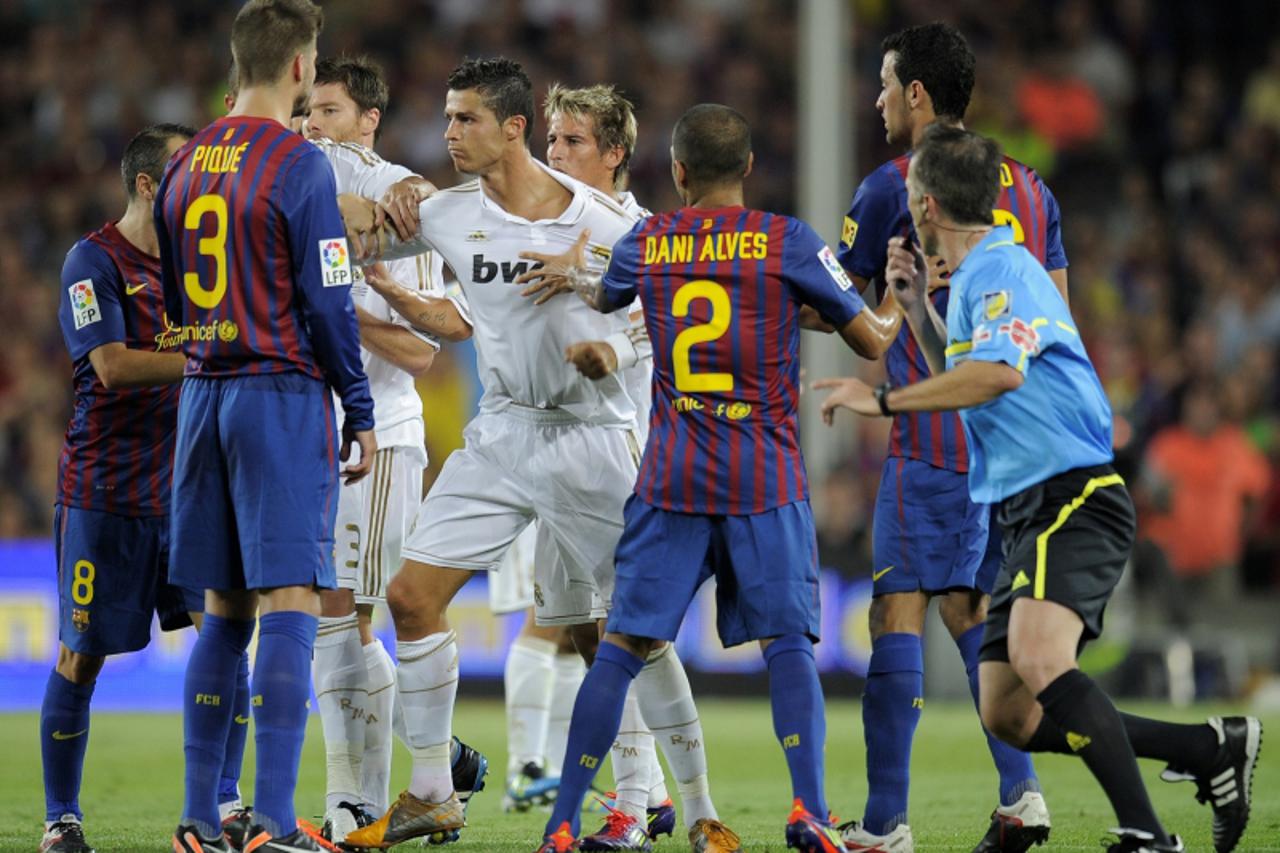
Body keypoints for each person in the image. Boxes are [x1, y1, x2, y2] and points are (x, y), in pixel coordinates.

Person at [817, 123, 1262, 853]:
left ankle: (1149, 835)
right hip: (1028, 505)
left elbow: (1000, 375)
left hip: (1073, 493)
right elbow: (964, 376)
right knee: (1008, 711)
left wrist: (884, 400)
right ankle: (1209, 749)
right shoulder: (966, 283)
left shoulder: (1001, 271)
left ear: (924, 203)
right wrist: (913, 303)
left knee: (1041, 657)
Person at [335, 57, 716, 852]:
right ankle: (434, 789)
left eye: (464, 119)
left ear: (512, 127)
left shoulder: (605, 224)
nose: (448, 134)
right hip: (503, 433)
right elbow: (348, 222)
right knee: (409, 596)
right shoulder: (447, 212)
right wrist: (350, 197)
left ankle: (668, 808)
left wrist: (609, 348)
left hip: (593, 439)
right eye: (445, 119)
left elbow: (671, 311)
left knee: (624, 632)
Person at [523, 103, 908, 853]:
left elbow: (606, 293)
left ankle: (564, 819)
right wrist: (895, 292)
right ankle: (809, 811)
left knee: (621, 646)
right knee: (791, 645)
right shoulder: (785, 241)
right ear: (750, 169)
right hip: (762, 474)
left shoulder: (653, 238)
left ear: (678, 172)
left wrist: (575, 271)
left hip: (671, 474)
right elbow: (871, 335)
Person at [832, 23, 1062, 853]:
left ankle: (887, 822)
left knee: (895, 607)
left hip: (935, 428)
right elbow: (1056, 312)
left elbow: (852, 314)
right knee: (966, 607)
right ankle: (1022, 794)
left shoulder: (896, 184)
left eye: (888, 84)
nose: (880, 99)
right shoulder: (1033, 188)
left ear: (918, 94)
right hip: (1012, 434)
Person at [156, 2, 376, 851]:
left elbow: (175, 299)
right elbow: (327, 297)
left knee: (223, 608)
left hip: (203, 392)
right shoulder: (300, 163)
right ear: (297, 70)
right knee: (290, 596)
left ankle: (198, 820)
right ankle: (276, 823)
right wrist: (356, 403)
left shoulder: (180, 168)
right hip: (277, 393)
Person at [300, 54, 488, 847]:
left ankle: (357, 802)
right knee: (329, 618)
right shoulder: (305, 189)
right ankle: (435, 764)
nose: (313, 124)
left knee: (344, 616)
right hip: (313, 433)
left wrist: (332, 311)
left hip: (381, 436)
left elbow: (419, 352)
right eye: (307, 110)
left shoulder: (401, 202)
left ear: (369, 119)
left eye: (331, 111)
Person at [42, 123, 238, 853]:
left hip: (187, 490)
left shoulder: (199, 267)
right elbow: (115, 366)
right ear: (151, 185)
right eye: (186, 179)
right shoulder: (90, 260)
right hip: (104, 492)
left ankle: (228, 803)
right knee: (81, 656)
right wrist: (206, 354)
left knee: (225, 635)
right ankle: (61, 818)